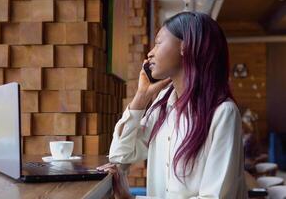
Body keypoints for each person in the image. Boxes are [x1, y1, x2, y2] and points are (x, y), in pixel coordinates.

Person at [97, 12, 247, 199]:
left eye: (159, 42)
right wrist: (141, 97)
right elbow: (120, 157)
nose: (150, 52)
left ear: (185, 47)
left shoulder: (223, 113)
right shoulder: (163, 106)